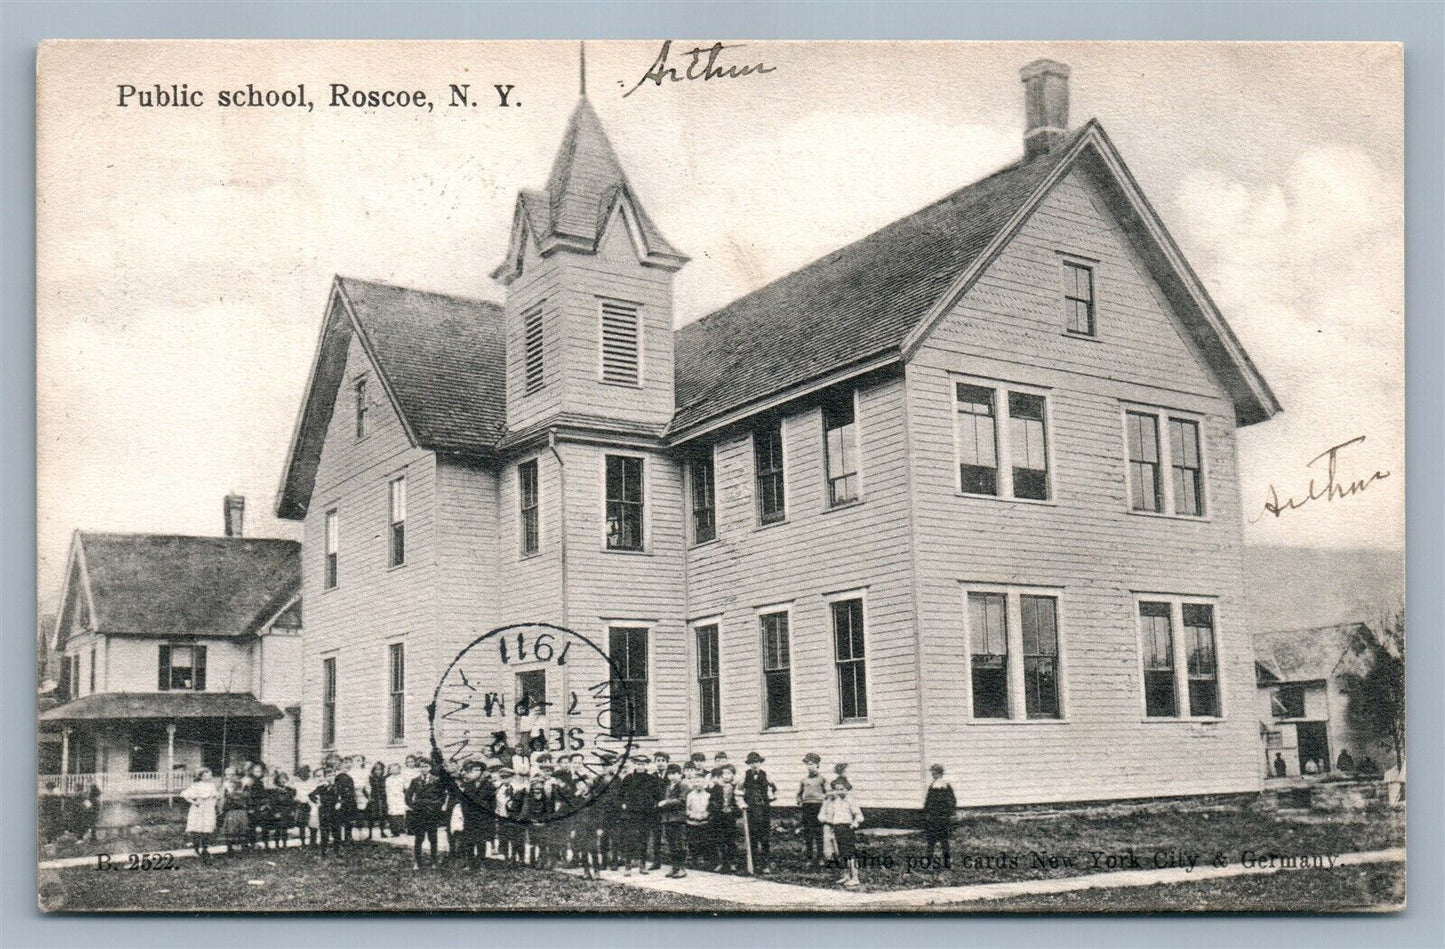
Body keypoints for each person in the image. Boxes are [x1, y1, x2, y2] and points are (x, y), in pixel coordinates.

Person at [820, 776, 864, 887]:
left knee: (850, 854)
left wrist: (854, 824)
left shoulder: (850, 800)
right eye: (837, 789)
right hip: (837, 828)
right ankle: (846, 875)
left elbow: (859, 816)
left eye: (842, 789)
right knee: (841, 853)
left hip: (846, 828)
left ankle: (855, 877)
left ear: (847, 789)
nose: (839, 791)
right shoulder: (835, 801)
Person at [406, 757, 446, 869]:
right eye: (421, 767)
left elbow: (442, 797)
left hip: (432, 812)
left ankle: (433, 861)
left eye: (426, 766)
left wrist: (435, 806)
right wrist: (414, 806)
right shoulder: (415, 781)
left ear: (430, 767)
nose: (424, 769)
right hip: (419, 813)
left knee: (433, 838)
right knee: (419, 838)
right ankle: (417, 862)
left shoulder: (437, 780)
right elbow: (408, 796)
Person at [740, 751, 775, 873]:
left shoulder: (766, 775)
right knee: (752, 836)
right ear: (749, 764)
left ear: (760, 763)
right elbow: (738, 791)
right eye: (752, 763)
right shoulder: (744, 775)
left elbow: (774, 789)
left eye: (756, 762)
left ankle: (765, 864)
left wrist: (772, 796)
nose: (754, 765)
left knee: (764, 836)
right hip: (750, 809)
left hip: (764, 809)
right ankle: (753, 863)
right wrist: (742, 802)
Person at [707, 763, 743, 873]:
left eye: (729, 773)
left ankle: (732, 863)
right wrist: (716, 808)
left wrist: (734, 810)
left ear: (733, 775)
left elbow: (739, 802)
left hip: (730, 817)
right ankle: (721, 862)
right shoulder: (716, 787)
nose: (726, 776)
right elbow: (711, 801)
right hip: (719, 816)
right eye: (724, 774)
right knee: (719, 839)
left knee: (730, 840)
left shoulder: (735, 787)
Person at [657, 762, 689, 878]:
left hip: (679, 819)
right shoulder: (668, 787)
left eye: (675, 773)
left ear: (680, 774)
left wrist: (666, 802)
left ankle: (681, 868)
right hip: (668, 819)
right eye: (670, 774)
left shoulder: (683, 786)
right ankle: (674, 867)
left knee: (679, 844)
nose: (672, 776)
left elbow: (682, 800)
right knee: (671, 844)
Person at [921, 764, 956, 866]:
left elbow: (952, 801)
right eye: (932, 773)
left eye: (935, 773)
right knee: (931, 840)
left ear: (940, 774)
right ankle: (929, 860)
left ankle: (946, 861)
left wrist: (946, 813)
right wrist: (926, 812)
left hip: (942, 817)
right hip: (932, 817)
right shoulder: (932, 786)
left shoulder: (945, 786)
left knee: (944, 840)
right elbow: (928, 801)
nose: (933, 775)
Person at [797, 753, 828, 867]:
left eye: (812, 764)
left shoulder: (822, 780)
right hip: (807, 807)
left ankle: (820, 857)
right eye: (808, 764)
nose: (810, 767)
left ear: (817, 765)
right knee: (808, 833)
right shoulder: (804, 780)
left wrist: (826, 806)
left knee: (819, 832)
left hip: (819, 807)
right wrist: (799, 801)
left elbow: (828, 794)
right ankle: (809, 858)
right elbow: (799, 794)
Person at [181, 768, 219, 859]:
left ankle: (205, 849)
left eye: (209, 774)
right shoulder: (196, 785)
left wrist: (215, 800)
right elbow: (185, 794)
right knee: (197, 829)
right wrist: (194, 802)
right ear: (200, 776)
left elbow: (216, 796)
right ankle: (196, 850)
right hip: (199, 809)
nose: (209, 776)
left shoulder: (212, 785)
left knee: (207, 829)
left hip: (208, 809)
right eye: (206, 775)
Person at [683, 762, 713, 869]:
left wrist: (705, 815)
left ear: (705, 783)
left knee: (704, 841)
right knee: (693, 842)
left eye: (700, 782)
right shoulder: (690, 795)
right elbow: (687, 808)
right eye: (696, 782)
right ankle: (694, 860)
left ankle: (705, 861)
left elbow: (709, 808)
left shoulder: (708, 795)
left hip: (704, 822)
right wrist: (691, 815)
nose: (698, 784)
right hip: (692, 822)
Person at [308, 765, 342, 855]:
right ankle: (323, 851)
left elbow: (340, 796)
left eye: (333, 775)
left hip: (335, 810)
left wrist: (339, 802)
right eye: (329, 775)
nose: (331, 777)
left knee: (336, 831)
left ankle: (337, 851)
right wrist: (318, 802)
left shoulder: (337, 786)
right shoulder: (322, 787)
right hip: (324, 810)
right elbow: (311, 795)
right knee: (325, 831)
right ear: (325, 777)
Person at [219, 768, 253, 854]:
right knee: (230, 829)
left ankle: (244, 846)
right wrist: (221, 809)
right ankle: (230, 848)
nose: (230, 777)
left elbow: (247, 796)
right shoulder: (225, 785)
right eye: (228, 774)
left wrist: (237, 795)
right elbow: (222, 797)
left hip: (241, 809)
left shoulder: (243, 784)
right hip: (231, 810)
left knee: (243, 827)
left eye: (232, 774)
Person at [266, 772, 298, 849]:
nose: (283, 780)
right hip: (278, 811)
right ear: (277, 780)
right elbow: (272, 802)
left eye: (285, 778)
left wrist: (292, 811)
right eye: (281, 778)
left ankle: (284, 844)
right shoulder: (274, 790)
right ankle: (277, 844)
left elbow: (292, 801)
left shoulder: (289, 789)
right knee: (277, 828)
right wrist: (275, 812)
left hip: (286, 811)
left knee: (285, 829)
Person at [333, 759, 358, 843]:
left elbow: (352, 790)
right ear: (341, 764)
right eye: (345, 762)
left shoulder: (350, 776)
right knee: (339, 820)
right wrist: (339, 801)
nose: (347, 764)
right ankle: (338, 839)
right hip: (341, 801)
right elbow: (337, 790)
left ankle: (348, 837)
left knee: (349, 820)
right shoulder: (338, 776)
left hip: (349, 801)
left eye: (349, 762)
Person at [384, 762, 409, 836]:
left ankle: (401, 830)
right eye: (392, 769)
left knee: (400, 813)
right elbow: (387, 789)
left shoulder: (402, 778)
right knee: (392, 814)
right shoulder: (388, 779)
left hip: (400, 797)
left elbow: (406, 788)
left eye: (396, 769)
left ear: (399, 769)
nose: (394, 771)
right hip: (391, 797)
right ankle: (394, 831)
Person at [366, 760, 389, 838]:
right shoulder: (371, 778)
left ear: (382, 770)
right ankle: (370, 833)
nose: (377, 771)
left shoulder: (384, 778)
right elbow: (365, 788)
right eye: (376, 769)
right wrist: (368, 797)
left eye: (379, 769)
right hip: (373, 798)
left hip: (382, 798)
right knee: (371, 816)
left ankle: (382, 832)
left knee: (382, 816)